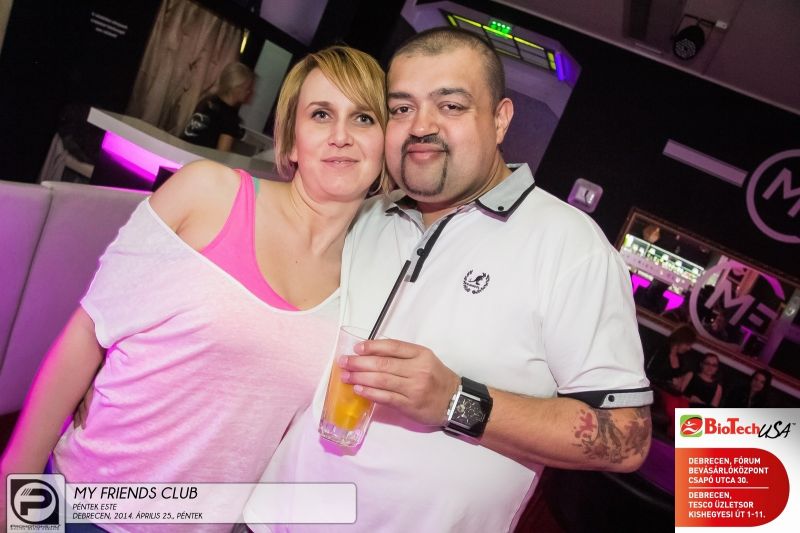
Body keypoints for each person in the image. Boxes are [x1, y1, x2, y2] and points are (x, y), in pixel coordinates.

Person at [244, 27, 652, 532]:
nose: (421, 126)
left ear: (500, 119)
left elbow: (628, 437)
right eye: (401, 108)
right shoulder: (365, 217)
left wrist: (456, 402)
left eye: (451, 106)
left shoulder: (570, 246)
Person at [0, 45, 386, 531]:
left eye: (363, 118)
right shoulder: (209, 194)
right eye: (321, 114)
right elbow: (88, 332)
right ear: (291, 141)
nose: (341, 136)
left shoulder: (365, 276)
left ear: (385, 143)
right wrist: (13, 485)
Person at [180, 62, 255, 152]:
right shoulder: (230, 117)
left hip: (180, 151)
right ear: (236, 88)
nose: (249, 92)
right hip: (197, 158)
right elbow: (221, 153)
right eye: (247, 88)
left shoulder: (208, 101)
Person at [645, 323, 697, 391]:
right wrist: (670, 381)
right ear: (679, 340)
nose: (689, 348)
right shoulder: (661, 350)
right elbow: (648, 373)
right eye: (687, 345)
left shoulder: (681, 358)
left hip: (665, 392)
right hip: (651, 389)